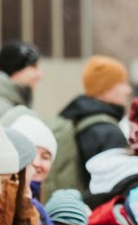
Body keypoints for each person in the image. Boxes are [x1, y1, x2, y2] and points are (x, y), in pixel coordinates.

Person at [42, 56, 132, 198]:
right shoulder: (108, 132)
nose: (128, 90)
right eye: (121, 83)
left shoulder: (74, 118)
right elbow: (115, 189)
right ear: (104, 88)